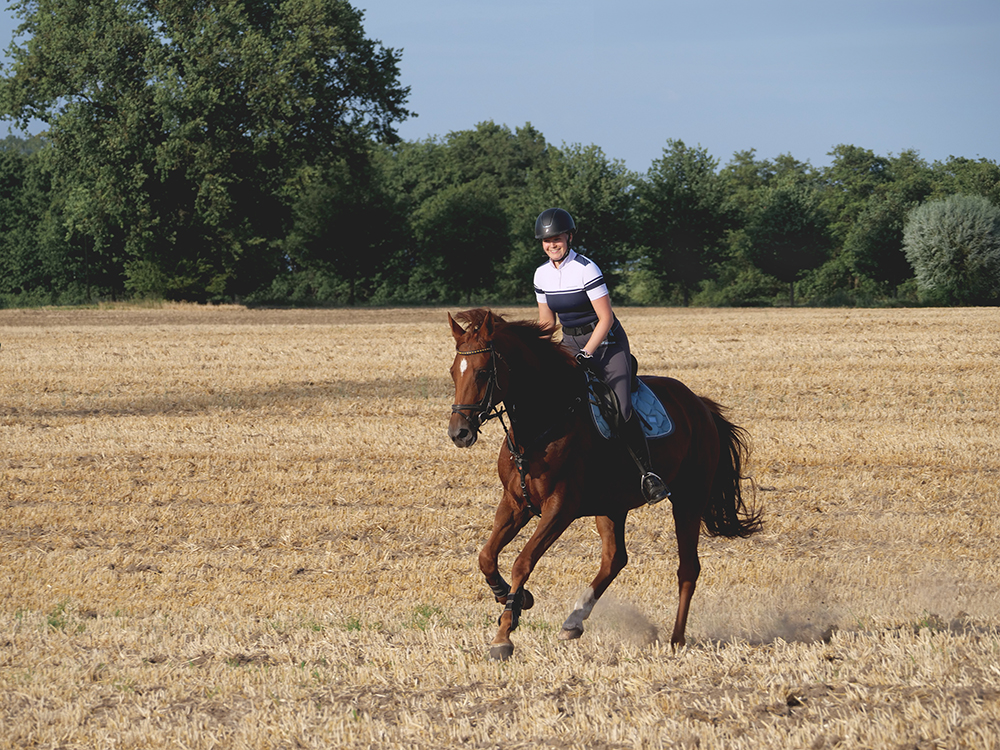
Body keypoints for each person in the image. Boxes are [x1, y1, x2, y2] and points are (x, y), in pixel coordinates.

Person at [532, 207, 670, 504]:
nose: (552, 244)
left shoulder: (586, 269)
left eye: (556, 238)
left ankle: (648, 474)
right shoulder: (541, 274)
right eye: (546, 240)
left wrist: (586, 352)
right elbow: (547, 322)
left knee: (620, 408)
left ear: (569, 237)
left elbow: (605, 319)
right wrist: (540, 352)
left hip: (606, 344)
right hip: (570, 341)